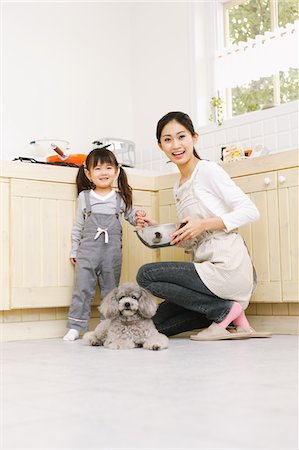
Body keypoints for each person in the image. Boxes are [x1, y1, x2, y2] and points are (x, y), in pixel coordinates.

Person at [137, 111, 271, 340]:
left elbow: (250, 211)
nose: (176, 145)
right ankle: (229, 315)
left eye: (181, 137)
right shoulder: (178, 186)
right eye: (168, 139)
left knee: (146, 275)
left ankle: (224, 310)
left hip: (226, 266)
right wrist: (158, 230)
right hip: (204, 272)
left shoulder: (207, 171)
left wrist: (205, 224)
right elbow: (192, 238)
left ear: (194, 138)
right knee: (154, 328)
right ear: (160, 145)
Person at [63, 146, 149, 341]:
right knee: (82, 288)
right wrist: (74, 249)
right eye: (98, 168)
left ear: (117, 170)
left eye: (108, 168)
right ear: (88, 173)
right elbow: (78, 226)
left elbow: (132, 217)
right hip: (87, 252)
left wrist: (140, 218)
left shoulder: (120, 198)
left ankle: (107, 326)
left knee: (110, 291)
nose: (104, 173)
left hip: (112, 254)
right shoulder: (84, 197)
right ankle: (76, 325)